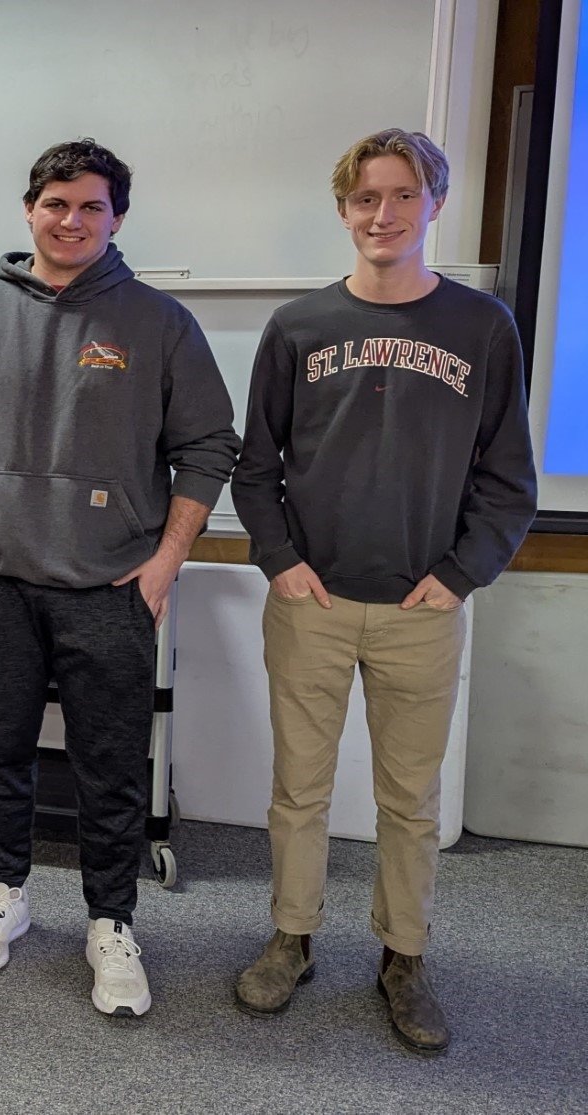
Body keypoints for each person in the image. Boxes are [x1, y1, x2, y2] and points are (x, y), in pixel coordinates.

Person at [0, 139, 239, 1016]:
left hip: (111, 588)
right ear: (30, 210)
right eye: (56, 203)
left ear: (117, 218)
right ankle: (3, 891)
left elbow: (210, 445)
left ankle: (111, 921)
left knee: (110, 765)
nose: (72, 220)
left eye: (92, 206)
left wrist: (165, 563)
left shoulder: (159, 322)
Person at [230, 129, 536, 1054]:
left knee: (410, 798)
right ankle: (292, 936)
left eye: (404, 195)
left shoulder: (483, 327)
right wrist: (280, 559)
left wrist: (460, 574)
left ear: (435, 203)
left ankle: (404, 955)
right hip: (311, 604)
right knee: (299, 789)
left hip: (420, 610)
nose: (384, 213)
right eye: (366, 197)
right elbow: (256, 467)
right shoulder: (298, 326)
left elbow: (508, 479)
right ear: (343, 209)